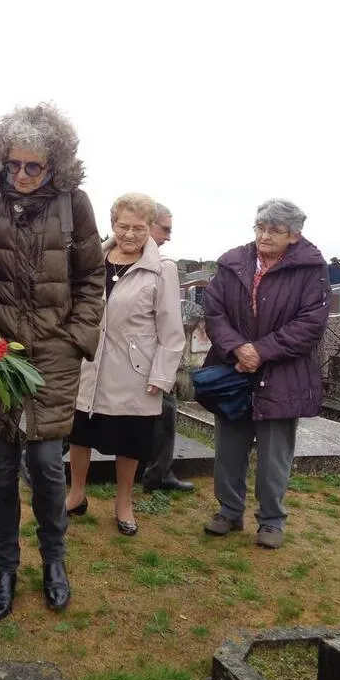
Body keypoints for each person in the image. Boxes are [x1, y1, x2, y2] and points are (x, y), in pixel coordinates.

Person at [0, 104, 104, 621]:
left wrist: (74, 339)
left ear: (54, 165)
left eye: (33, 166)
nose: (20, 175)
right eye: (13, 164)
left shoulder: (74, 206)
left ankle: (54, 562)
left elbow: (91, 279)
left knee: (46, 467)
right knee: (1, 471)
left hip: (53, 353)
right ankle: (4, 567)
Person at [202, 198, 329, 549]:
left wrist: (260, 351)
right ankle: (229, 511)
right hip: (233, 369)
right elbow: (214, 312)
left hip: (282, 374)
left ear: (294, 235)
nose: (265, 236)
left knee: (274, 454)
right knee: (229, 447)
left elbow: (310, 323)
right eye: (260, 227)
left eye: (275, 230)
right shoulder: (233, 262)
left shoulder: (310, 268)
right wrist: (238, 348)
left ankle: (271, 521)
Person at [67, 193, 185, 536]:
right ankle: (76, 494)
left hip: (134, 371)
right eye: (123, 226)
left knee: (129, 441)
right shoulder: (92, 259)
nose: (130, 234)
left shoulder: (162, 269)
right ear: (112, 224)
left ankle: (124, 503)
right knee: (79, 432)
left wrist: (161, 375)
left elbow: (171, 329)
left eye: (138, 228)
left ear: (149, 228)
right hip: (89, 364)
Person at [141, 203, 195, 493]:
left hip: (149, 353)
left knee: (164, 410)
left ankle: (157, 472)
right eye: (165, 229)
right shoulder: (161, 267)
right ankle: (157, 474)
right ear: (148, 223)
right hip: (144, 353)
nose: (168, 237)